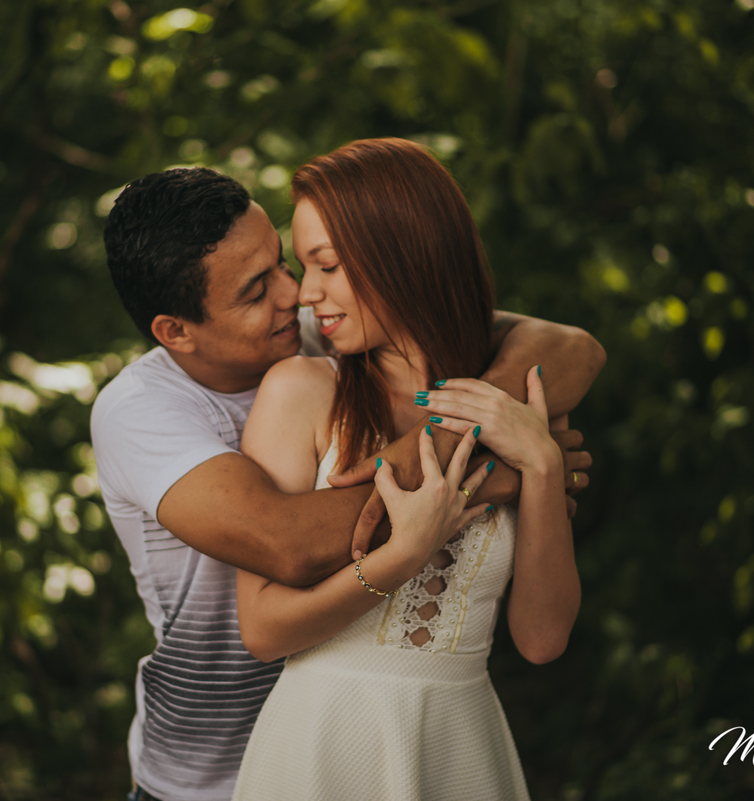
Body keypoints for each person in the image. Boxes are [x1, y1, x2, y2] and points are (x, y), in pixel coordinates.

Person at [94, 165, 604, 801]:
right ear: (176, 332)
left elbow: (570, 346)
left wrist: (500, 435)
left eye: (289, 264)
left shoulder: (326, 335)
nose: (295, 294)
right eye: (257, 291)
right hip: (211, 771)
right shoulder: (143, 412)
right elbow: (288, 543)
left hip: (443, 744)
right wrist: (477, 470)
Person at [230, 138, 583, 801]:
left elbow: (541, 638)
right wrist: (403, 554)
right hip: (318, 745)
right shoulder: (300, 391)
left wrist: (539, 459)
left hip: (458, 745)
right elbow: (263, 628)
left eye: (326, 265)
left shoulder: (510, 403)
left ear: (404, 254)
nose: (307, 295)